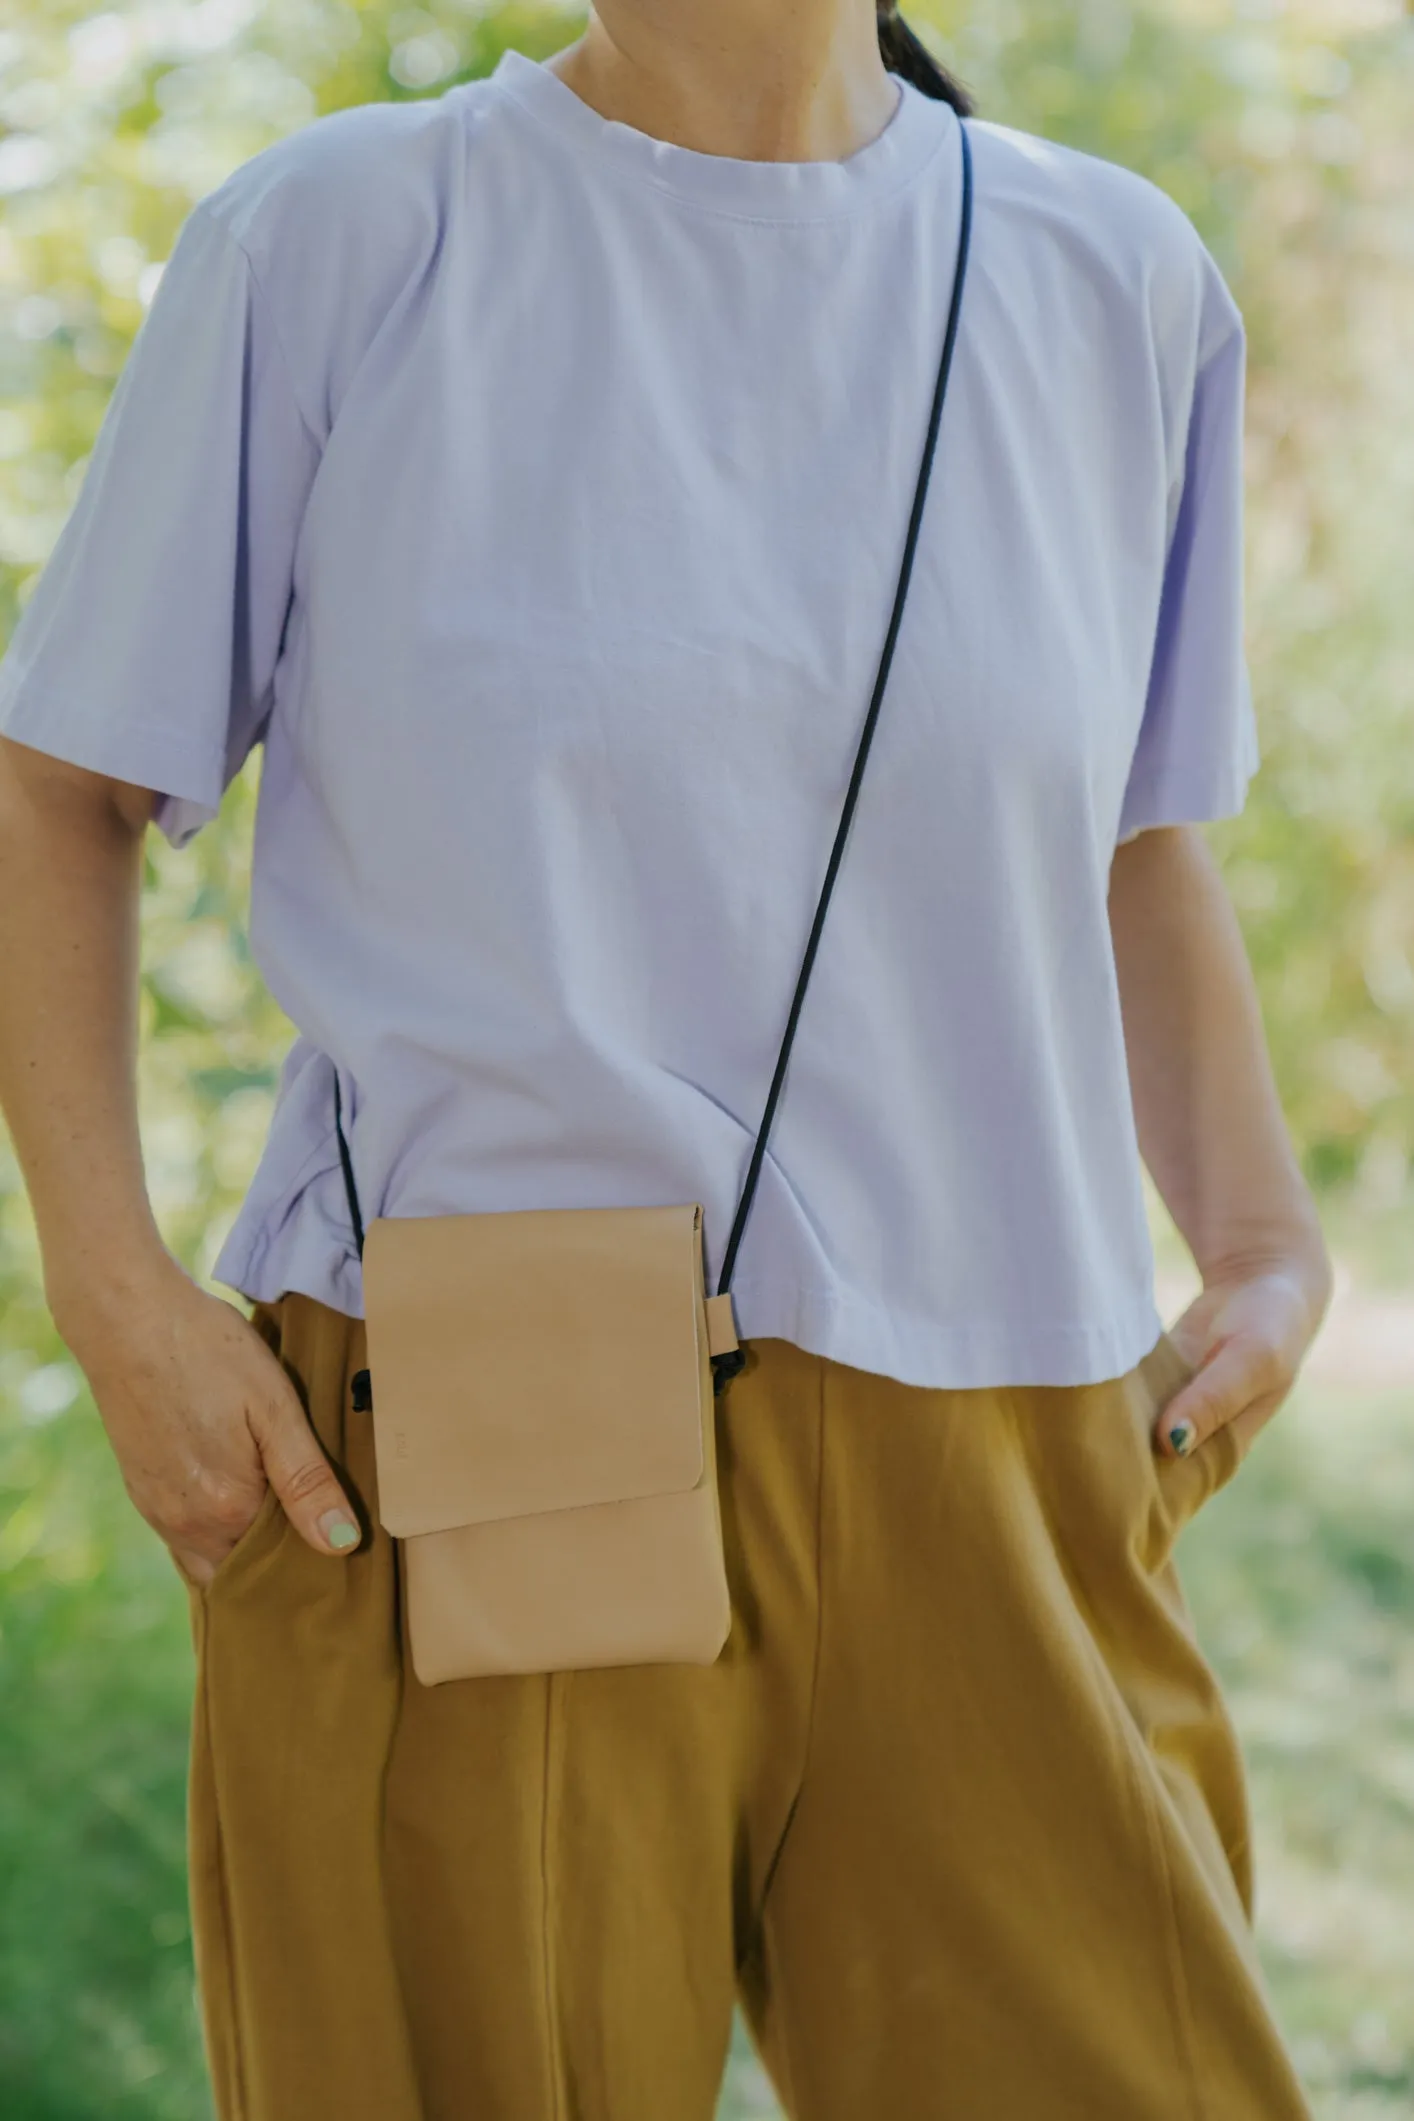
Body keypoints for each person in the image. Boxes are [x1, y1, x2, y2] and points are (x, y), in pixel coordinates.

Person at [0, 1, 1333, 2114]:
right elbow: (59, 786)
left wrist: (1260, 1231)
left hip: (996, 1415)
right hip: (458, 1414)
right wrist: (114, 1281)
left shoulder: (1110, 276)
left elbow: (1130, 836)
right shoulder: (347, 237)